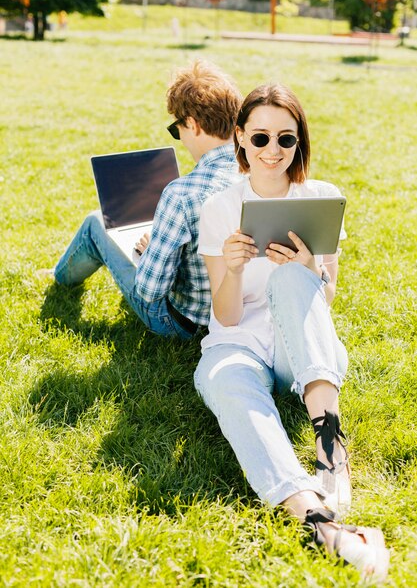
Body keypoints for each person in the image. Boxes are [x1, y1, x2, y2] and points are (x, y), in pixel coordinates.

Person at [194, 83, 390, 580]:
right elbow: (228, 316)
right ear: (239, 138)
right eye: (260, 138)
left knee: (289, 276)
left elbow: (322, 302)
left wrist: (310, 270)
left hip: (300, 346)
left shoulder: (320, 198)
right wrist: (233, 269)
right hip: (238, 341)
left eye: (286, 139)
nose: (273, 151)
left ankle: (331, 450)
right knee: (223, 382)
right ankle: (317, 519)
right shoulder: (219, 207)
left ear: (299, 142)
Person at [47, 61, 242, 338]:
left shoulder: (182, 194)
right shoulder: (258, 174)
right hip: (241, 317)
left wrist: (150, 252)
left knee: (95, 222)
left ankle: (59, 278)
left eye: (178, 131)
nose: (181, 140)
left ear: (193, 125)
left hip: (183, 325)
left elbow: (149, 292)